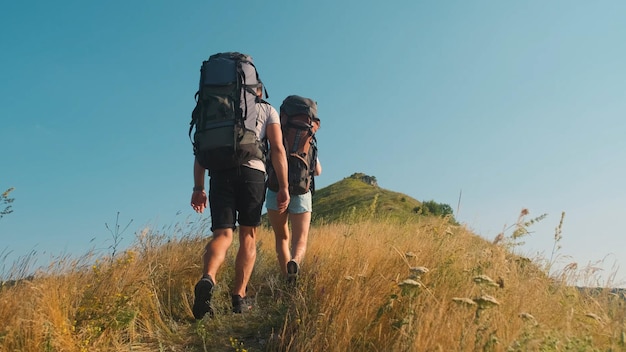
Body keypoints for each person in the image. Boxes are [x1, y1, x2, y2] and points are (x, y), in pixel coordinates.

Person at [191, 84, 290, 319]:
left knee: (222, 236)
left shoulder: (216, 109)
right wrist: (284, 186)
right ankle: (239, 297)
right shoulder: (267, 110)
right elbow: (277, 149)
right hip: (253, 174)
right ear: (258, 89)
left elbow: (201, 150)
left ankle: (208, 278)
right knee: (248, 235)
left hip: (219, 173)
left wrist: (198, 187)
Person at [266, 159, 322, 283]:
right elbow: (317, 171)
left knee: (281, 238)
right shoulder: (307, 139)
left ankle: (287, 277)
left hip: (275, 191)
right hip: (301, 191)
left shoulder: (275, 140)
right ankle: (295, 261)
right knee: (300, 240)